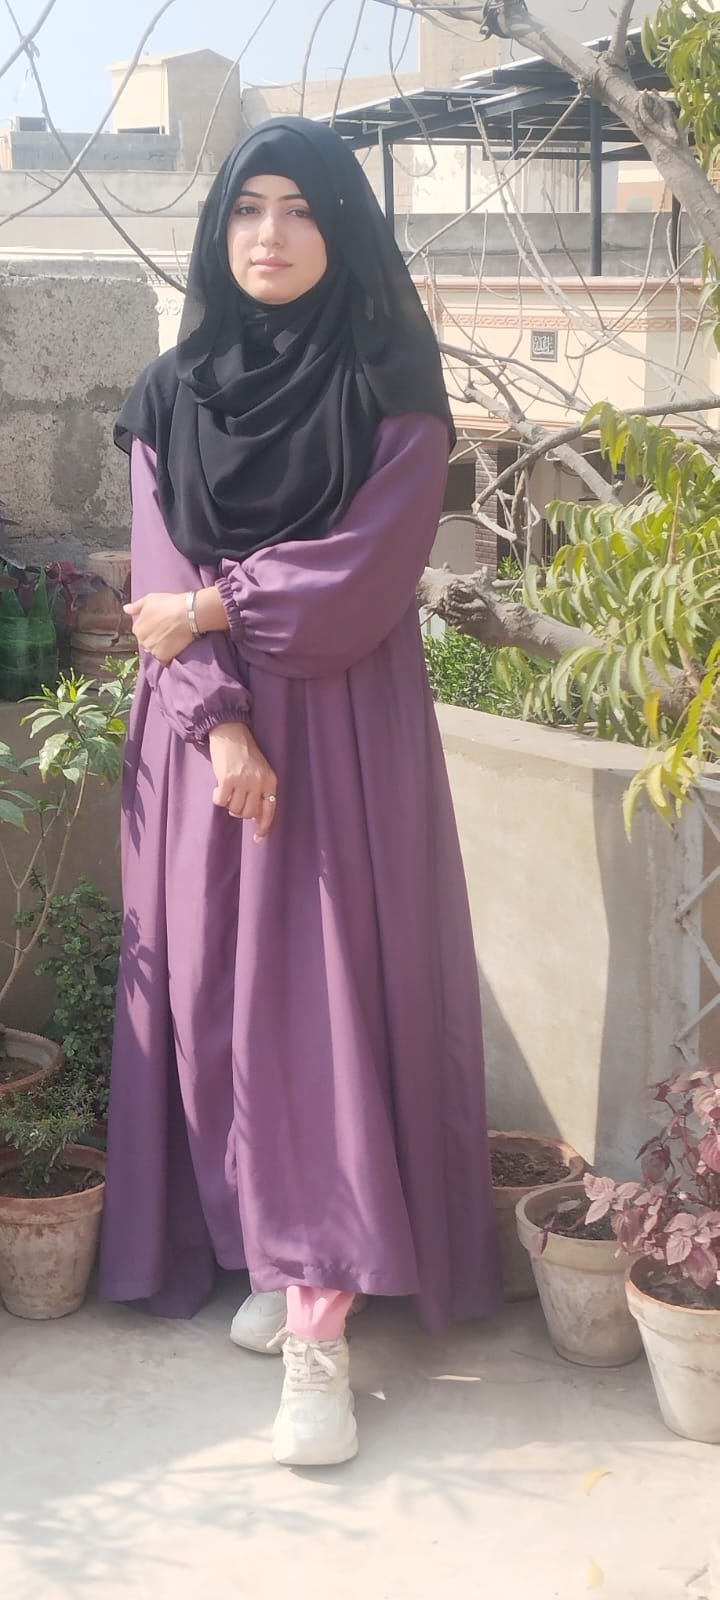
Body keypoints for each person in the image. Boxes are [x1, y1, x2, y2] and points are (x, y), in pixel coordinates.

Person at [99, 116, 500, 1469]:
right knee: (217, 1008)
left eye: (301, 209)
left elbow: (368, 569)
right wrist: (220, 726)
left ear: (346, 229)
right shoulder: (172, 390)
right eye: (246, 208)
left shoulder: (393, 384)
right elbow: (154, 583)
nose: (268, 235)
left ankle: (321, 1333)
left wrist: (217, 610)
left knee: (318, 1016)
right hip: (201, 741)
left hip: (343, 733)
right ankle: (269, 1251)